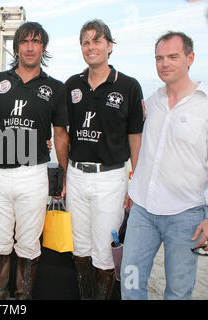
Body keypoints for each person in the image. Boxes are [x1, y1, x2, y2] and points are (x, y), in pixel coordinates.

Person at [0, 21, 69, 300]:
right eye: (24, 41)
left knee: (29, 243)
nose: (30, 47)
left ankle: (23, 298)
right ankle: (0, 298)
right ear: (16, 46)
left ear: (43, 47)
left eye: (36, 41)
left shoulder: (55, 87)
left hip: (33, 174)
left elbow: (59, 134)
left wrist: (64, 174)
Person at [121, 31, 207, 300]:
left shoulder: (204, 107)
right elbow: (143, 150)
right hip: (142, 211)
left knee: (179, 291)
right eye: (159, 58)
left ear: (190, 58)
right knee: (130, 282)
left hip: (186, 215)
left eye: (172, 57)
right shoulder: (153, 102)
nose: (164, 64)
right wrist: (131, 189)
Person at [65, 19, 144, 299]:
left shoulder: (129, 86)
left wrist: (136, 183)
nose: (91, 46)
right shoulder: (72, 84)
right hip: (76, 176)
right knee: (80, 248)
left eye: (97, 40)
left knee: (104, 252)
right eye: (85, 42)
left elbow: (136, 138)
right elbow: (62, 132)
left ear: (110, 46)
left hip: (110, 178)